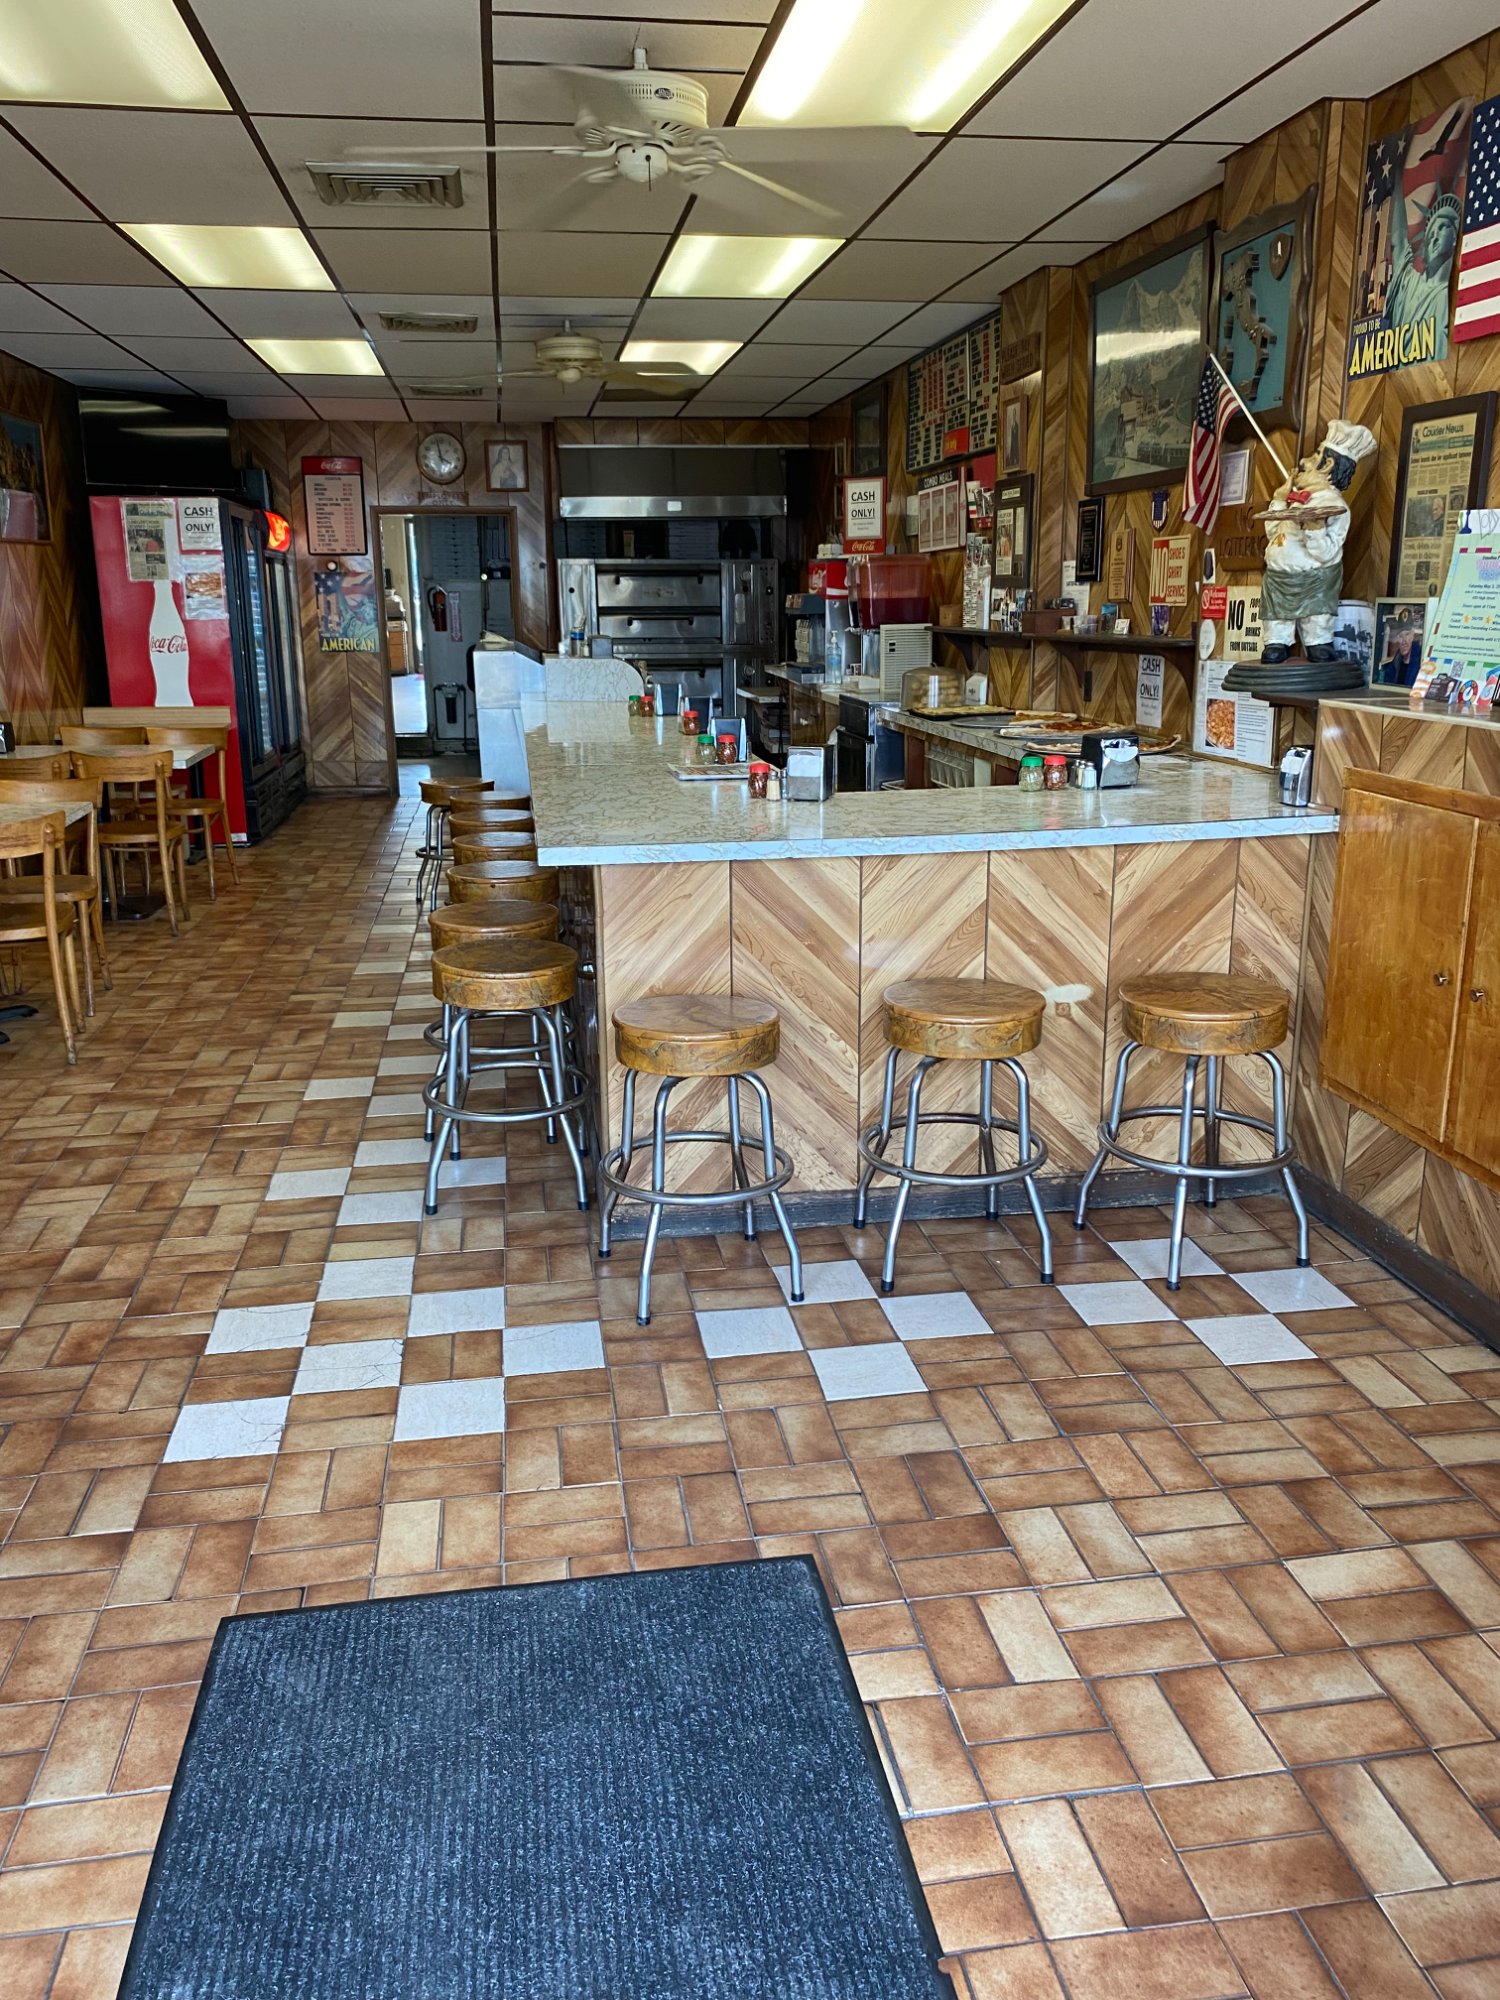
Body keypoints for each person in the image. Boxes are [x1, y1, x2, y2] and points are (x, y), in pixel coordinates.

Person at [1258, 421, 1377, 663]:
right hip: (1279, 578)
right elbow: (1273, 533)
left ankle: (1318, 642)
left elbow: (1326, 553)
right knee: (1277, 616)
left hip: (1315, 580)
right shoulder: (1297, 499)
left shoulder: (1334, 506)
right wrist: (1280, 500)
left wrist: (1314, 527)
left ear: (1328, 465)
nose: (1304, 462)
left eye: (1315, 457)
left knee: (1318, 615)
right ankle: (1276, 642)